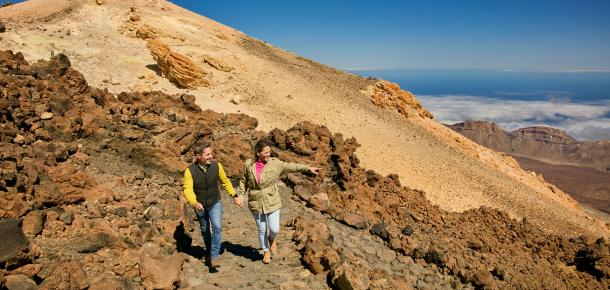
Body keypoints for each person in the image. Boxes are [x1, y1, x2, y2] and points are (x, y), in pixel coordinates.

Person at [238, 139, 319, 264]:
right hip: (255, 201)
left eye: (269, 152)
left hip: (272, 200)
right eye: (266, 152)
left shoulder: (275, 163)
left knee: (274, 229)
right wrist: (240, 195)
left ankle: (272, 240)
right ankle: (266, 251)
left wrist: (307, 168)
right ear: (258, 152)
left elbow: (291, 166)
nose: (269, 154)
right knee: (262, 228)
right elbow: (244, 181)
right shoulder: (249, 164)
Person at [183, 143, 244, 269]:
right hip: (199, 205)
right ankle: (209, 251)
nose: (211, 156)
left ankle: (214, 255)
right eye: (208, 154)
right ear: (198, 156)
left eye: (211, 153)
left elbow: (225, 181)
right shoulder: (190, 171)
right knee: (205, 230)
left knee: (217, 227)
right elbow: (187, 190)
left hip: (215, 202)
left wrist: (235, 195)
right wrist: (194, 202)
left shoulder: (217, 166)